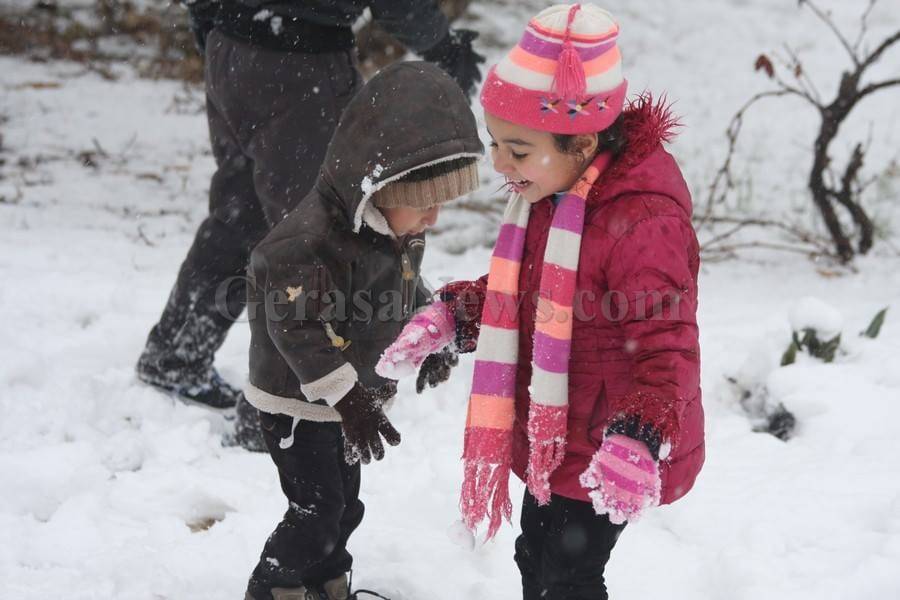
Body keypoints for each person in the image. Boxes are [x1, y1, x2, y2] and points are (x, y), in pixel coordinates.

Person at [380, 5, 704, 599]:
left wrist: (636, 438)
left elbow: (669, 348)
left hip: (607, 441)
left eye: (518, 150)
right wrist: (458, 313)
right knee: (538, 554)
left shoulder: (641, 222)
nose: (500, 165)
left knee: (567, 574)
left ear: (580, 143)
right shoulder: (554, 195)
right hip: (556, 431)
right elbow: (530, 292)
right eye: (495, 143)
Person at [135, 0, 484, 450]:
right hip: (301, 63)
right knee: (322, 235)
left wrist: (211, 18)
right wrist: (441, 43)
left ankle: (178, 353)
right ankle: (276, 415)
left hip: (234, 48)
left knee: (241, 217)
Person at [243, 61, 482, 600]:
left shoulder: (391, 229)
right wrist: (347, 398)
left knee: (345, 504)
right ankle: (271, 587)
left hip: (351, 400)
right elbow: (296, 328)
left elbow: (404, 288)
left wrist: (431, 335)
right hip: (297, 402)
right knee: (318, 508)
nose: (434, 219)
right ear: (379, 186)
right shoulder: (307, 244)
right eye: (424, 204)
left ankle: (325, 583)